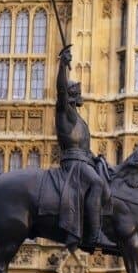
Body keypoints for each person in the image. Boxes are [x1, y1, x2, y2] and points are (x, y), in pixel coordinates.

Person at [55, 45, 111, 253]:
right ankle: (94, 236)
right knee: (96, 184)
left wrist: (97, 159)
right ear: (70, 95)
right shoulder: (65, 112)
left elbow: (84, 147)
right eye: (77, 92)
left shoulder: (79, 119)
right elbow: (60, 89)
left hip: (84, 161)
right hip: (73, 164)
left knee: (107, 178)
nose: (81, 95)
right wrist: (62, 65)